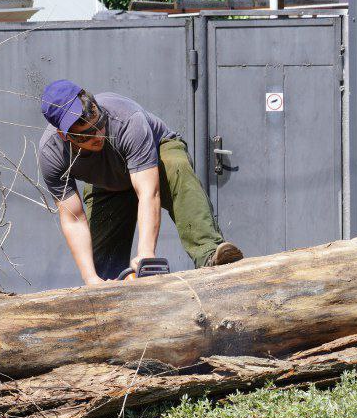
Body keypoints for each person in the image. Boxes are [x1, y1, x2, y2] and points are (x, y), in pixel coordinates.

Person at [38, 79, 242, 285]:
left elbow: (148, 192)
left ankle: (211, 256)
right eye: (87, 135)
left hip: (156, 157)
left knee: (177, 166)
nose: (98, 135)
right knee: (103, 272)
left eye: (99, 124)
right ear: (64, 136)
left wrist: (146, 254)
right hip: (108, 182)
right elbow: (73, 219)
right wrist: (91, 279)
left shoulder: (127, 120)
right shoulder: (51, 154)